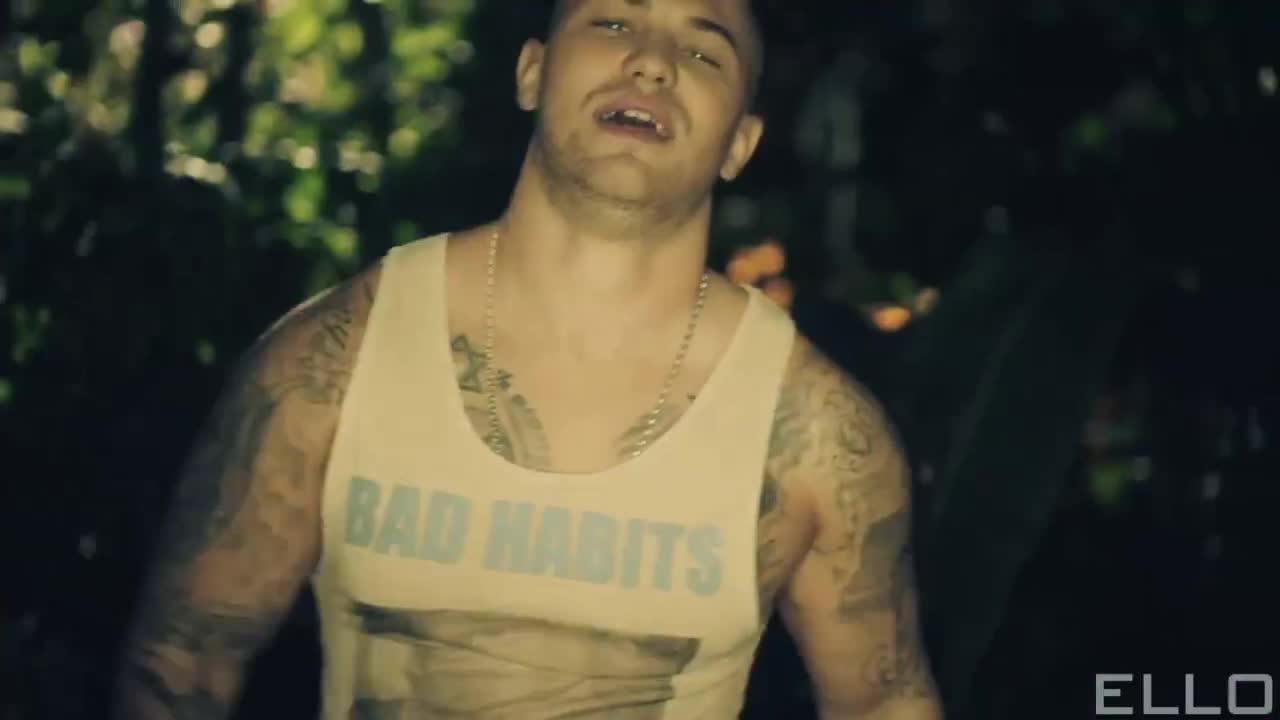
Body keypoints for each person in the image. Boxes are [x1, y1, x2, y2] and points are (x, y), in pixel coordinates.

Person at [115, 0, 945, 717]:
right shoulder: (336, 358)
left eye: (703, 52)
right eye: (612, 23)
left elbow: (884, 703)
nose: (652, 63)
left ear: (741, 142)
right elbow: (179, 664)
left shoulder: (816, 433)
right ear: (531, 73)